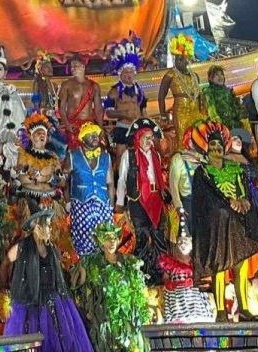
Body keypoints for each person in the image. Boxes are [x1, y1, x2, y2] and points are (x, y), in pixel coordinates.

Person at [189, 123, 258, 321]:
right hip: (218, 226)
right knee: (221, 266)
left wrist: (243, 201)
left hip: (238, 224)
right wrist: (228, 203)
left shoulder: (235, 168)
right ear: (207, 147)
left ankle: (243, 308)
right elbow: (206, 198)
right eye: (213, 144)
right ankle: (221, 311)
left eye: (219, 145)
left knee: (240, 265)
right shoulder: (203, 172)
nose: (216, 148)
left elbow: (244, 189)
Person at [4, 209, 93, 352]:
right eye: (47, 225)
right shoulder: (22, 247)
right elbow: (7, 261)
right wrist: (5, 284)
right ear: (37, 227)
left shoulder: (52, 249)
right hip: (31, 302)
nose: (50, 228)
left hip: (53, 300)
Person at [75, 221, 150, 352]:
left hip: (128, 319)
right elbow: (83, 291)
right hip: (106, 320)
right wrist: (90, 310)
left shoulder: (128, 262)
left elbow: (138, 289)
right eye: (107, 238)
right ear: (100, 241)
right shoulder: (92, 264)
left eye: (114, 238)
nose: (112, 242)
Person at [116, 118, 170, 282]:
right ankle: (142, 274)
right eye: (146, 137)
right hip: (137, 200)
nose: (149, 141)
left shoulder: (156, 156)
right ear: (138, 137)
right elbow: (122, 179)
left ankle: (162, 273)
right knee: (142, 237)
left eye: (151, 138)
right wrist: (119, 202)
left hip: (155, 199)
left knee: (159, 235)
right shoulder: (129, 155)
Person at [66, 121, 114, 257]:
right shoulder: (73, 155)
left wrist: (111, 206)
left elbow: (110, 183)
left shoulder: (106, 157)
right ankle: (84, 269)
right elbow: (64, 181)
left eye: (96, 134)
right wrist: (68, 202)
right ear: (82, 138)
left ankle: (102, 268)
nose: (95, 137)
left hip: (102, 205)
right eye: (90, 134)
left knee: (104, 239)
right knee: (83, 239)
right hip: (81, 204)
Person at [104, 35, 147, 160]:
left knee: (139, 159)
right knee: (121, 159)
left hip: (138, 129)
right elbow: (108, 112)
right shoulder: (114, 91)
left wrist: (147, 124)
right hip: (123, 128)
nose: (129, 75)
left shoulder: (139, 90)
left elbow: (143, 111)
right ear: (120, 74)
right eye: (126, 72)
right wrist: (123, 114)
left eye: (131, 71)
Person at [159, 232, 216, 323]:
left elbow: (206, 280)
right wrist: (171, 285)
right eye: (180, 242)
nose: (183, 245)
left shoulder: (197, 263)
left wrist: (193, 281)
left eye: (185, 242)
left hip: (194, 295)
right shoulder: (170, 263)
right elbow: (165, 279)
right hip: (177, 295)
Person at [159, 33, 204, 137]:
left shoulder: (195, 75)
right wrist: (163, 115)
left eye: (182, 59)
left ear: (188, 60)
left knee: (198, 139)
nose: (179, 62)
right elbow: (161, 96)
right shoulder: (170, 74)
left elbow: (199, 94)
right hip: (181, 113)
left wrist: (203, 111)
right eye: (177, 59)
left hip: (196, 111)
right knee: (182, 140)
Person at [56, 55, 102, 148]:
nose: (72, 69)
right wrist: (67, 124)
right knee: (73, 151)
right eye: (71, 67)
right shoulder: (66, 85)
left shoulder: (94, 86)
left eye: (75, 66)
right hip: (72, 124)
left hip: (89, 124)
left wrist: (100, 127)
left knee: (91, 150)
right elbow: (61, 108)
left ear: (83, 67)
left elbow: (98, 109)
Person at [202, 65, 245, 132]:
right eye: (216, 75)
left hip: (235, 126)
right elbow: (212, 111)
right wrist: (219, 125)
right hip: (221, 128)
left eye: (221, 74)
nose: (220, 77)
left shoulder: (228, 90)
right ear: (210, 78)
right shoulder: (208, 91)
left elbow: (236, 108)